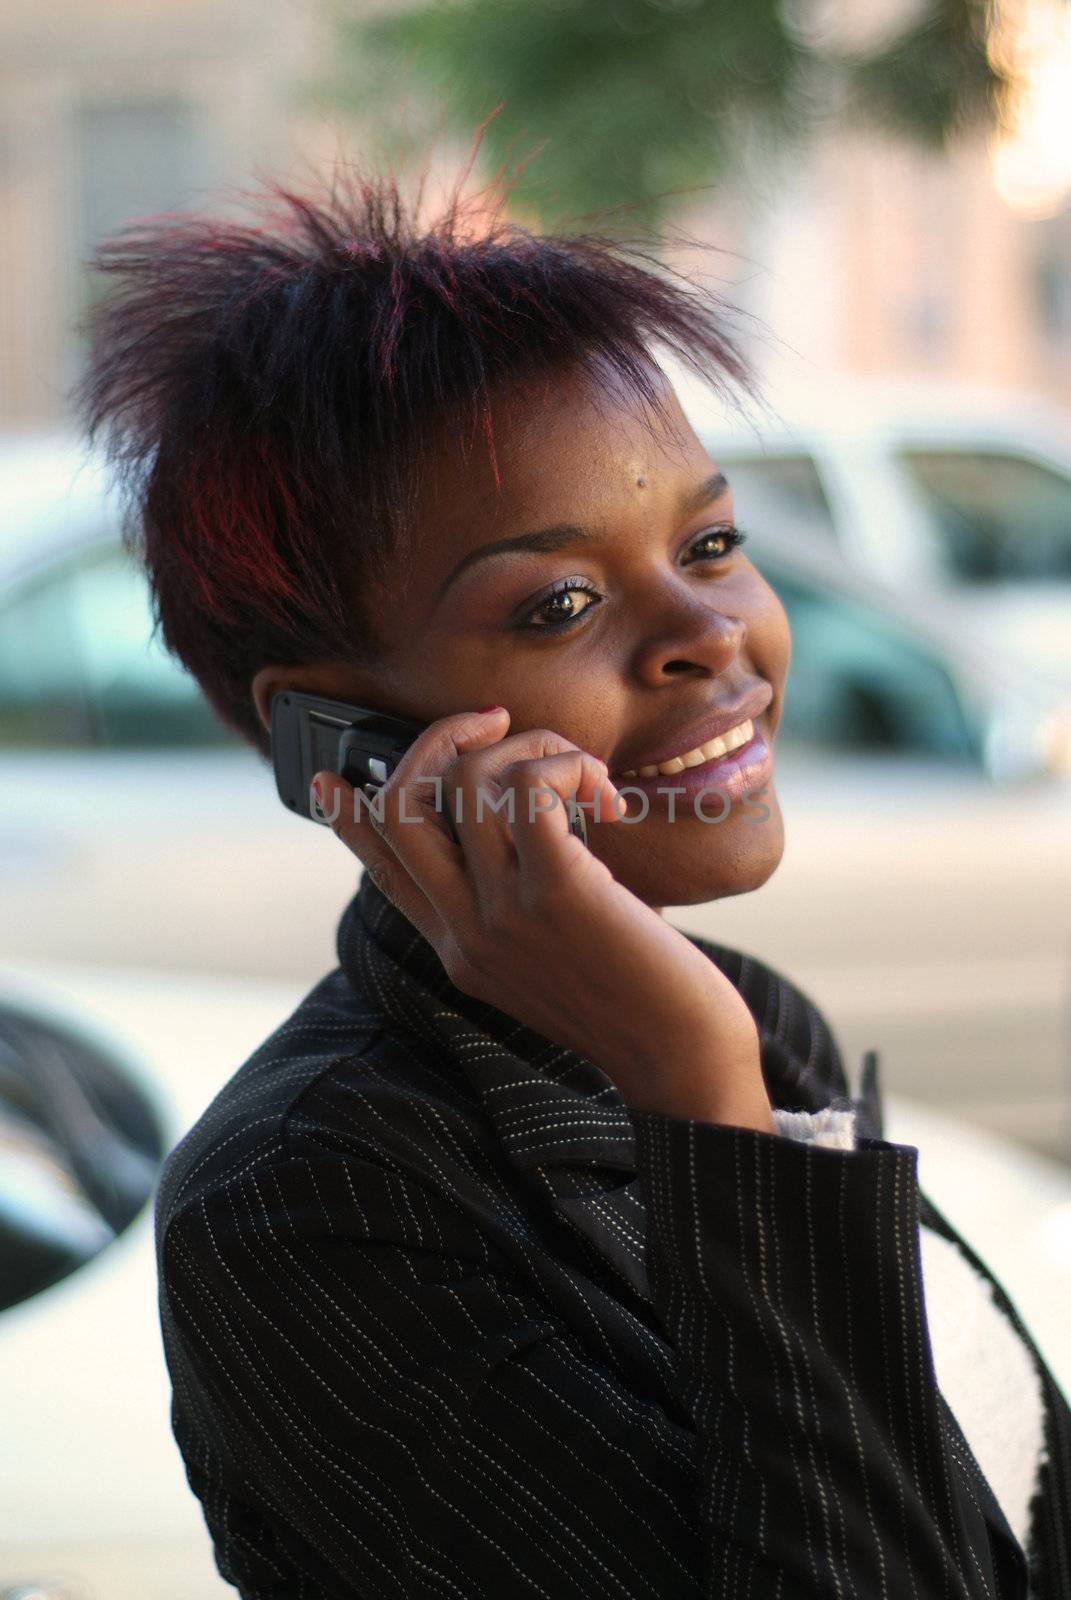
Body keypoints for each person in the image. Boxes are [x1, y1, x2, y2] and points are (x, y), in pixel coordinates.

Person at [77, 150, 1071, 1598]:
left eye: (713, 542)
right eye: (560, 603)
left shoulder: (738, 1009)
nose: (708, 632)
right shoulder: (315, 1210)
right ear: (340, 741)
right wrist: (702, 1101)